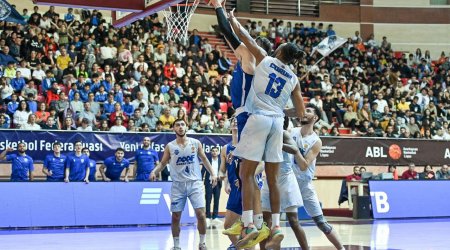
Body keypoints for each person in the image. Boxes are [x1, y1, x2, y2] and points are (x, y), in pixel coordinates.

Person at [227, 7, 306, 248]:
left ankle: (250, 223)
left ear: (280, 51)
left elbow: (245, 38)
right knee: (272, 180)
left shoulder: (266, 58)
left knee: (246, 173)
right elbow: (301, 115)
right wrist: (280, 104)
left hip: (259, 118)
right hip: (277, 122)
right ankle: (275, 226)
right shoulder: (294, 79)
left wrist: (232, 19)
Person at [208, 1, 275, 247]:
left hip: (248, 116)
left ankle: (253, 223)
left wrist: (218, 7)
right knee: (245, 172)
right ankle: (257, 222)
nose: (246, 44)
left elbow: (226, 31)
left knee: (246, 172)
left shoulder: (250, 58)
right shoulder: (261, 65)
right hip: (252, 116)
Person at [150, 119, 218, 250]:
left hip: (195, 183)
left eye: (182, 125)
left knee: (201, 215)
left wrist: (213, 174)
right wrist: (154, 171)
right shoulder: (170, 146)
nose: (180, 127)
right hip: (178, 185)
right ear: (174, 129)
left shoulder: (195, 143)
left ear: (186, 127)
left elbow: (204, 159)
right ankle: (176, 246)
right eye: (177, 125)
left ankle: (202, 243)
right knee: (175, 217)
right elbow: (163, 163)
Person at [284, 103, 345, 250]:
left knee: (321, 223)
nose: (304, 112)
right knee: (270, 216)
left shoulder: (316, 141)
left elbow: (304, 165)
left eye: (309, 111)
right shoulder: (292, 131)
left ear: (315, 118)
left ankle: (341, 248)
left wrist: (295, 150)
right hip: (288, 181)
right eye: (304, 110)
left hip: (305, 184)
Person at [260, 116, 308, 250]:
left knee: (293, 221)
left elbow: (294, 150)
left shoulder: (284, 133)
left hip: (285, 180)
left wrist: (277, 143)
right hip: (269, 179)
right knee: (265, 222)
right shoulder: (265, 135)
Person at [201, 146, 222, 227]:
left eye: (216, 151)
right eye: (213, 151)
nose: (214, 152)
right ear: (211, 152)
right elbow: (202, 171)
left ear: (218, 152)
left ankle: (215, 217)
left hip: (218, 183)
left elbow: (223, 171)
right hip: (209, 182)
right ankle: (208, 217)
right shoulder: (207, 161)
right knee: (208, 199)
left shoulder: (221, 161)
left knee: (216, 200)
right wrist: (200, 181)